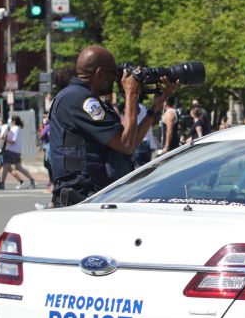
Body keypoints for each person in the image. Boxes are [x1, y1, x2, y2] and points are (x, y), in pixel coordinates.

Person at [48, 45, 168, 207]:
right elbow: (125, 144)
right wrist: (131, 94)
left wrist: (154, 109)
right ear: (99, 74)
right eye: (113, 73)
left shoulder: (86, 98)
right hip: (83, 201)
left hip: (94, 198)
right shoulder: (78, 99)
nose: (116, 79)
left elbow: (128, 143)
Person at [0, 115, 36, 189]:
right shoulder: (16, 129)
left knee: (6, 167)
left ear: (13, 121)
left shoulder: (14, 129)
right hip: (16, 151)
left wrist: (4, 138)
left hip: (11, 151)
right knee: (18, 167)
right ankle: (32, 180)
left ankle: (2, 184)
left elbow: (13, 141)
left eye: (10, 120)